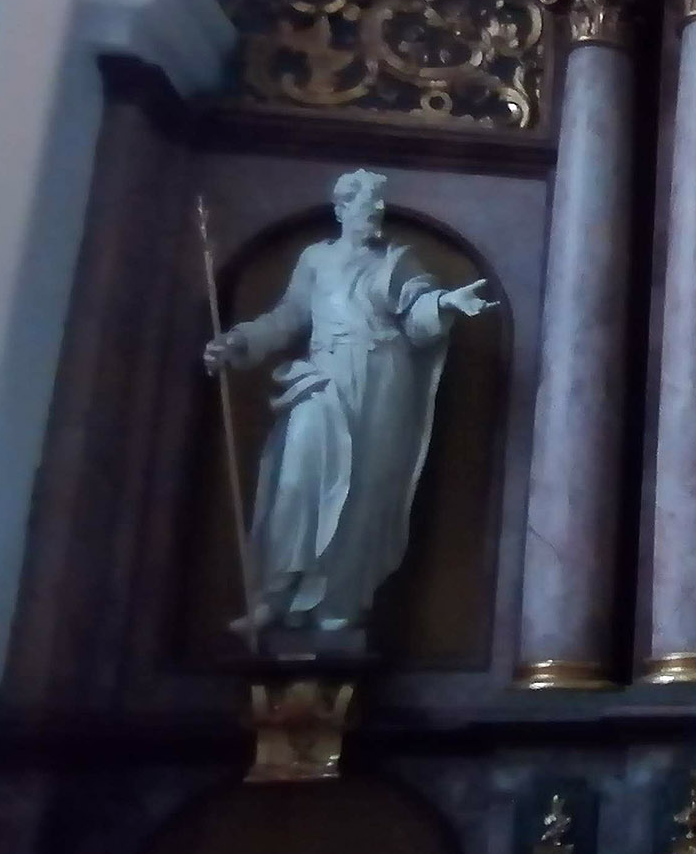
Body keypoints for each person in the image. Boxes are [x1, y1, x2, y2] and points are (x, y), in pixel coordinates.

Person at [204, 169, 494, 638]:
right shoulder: (316, 259)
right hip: (324, 376)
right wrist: (237, 342)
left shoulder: (398, 260)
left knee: (363, 491)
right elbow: (288, 317)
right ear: (341, 210)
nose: (375, 213)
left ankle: (336, 603)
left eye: (379, 206)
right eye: (366, 206)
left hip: (383, 380)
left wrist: (444, 303)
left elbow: (418, 314)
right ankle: (273, 596)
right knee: (297, 478)